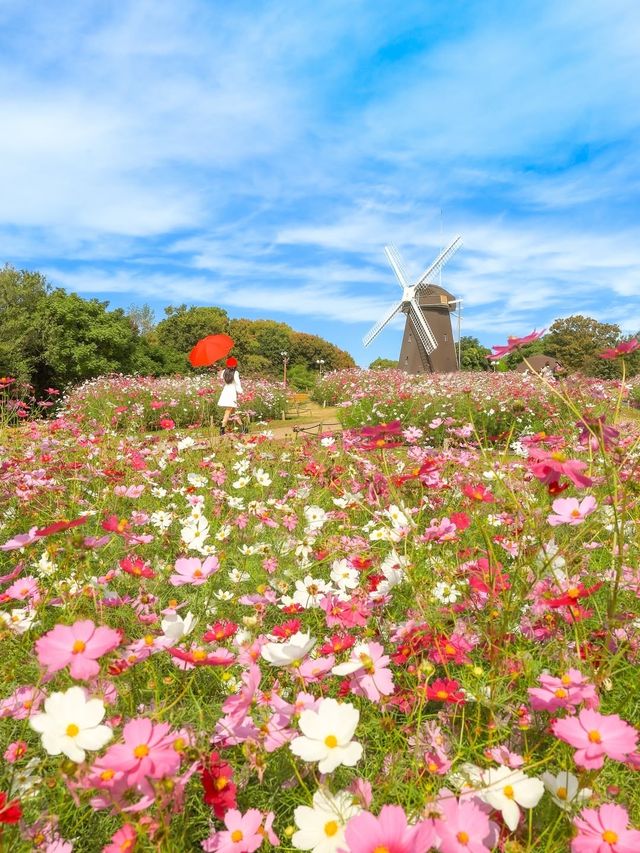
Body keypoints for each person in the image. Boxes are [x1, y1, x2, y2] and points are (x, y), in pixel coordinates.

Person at [217, 356, 243, 434]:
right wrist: (241, 392)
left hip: (225, 391)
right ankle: (222, 428)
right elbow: (238, 384)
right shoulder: (235, 372)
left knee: (234, 412)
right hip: (232, 392)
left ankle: (242, 427)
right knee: (228, 411)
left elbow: (222, 379)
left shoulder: (224, 372)